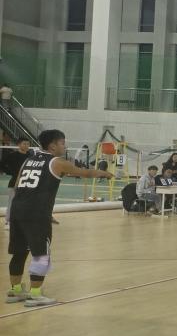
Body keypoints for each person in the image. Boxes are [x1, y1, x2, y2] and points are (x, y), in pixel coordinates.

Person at [5, 129, 113, 306]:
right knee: (41, 254)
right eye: (62, 142)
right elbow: (84, 173)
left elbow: (17, 186)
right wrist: (104, 173)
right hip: (36, 214)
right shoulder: (57, 162)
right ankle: (35, 294)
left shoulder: (28, 160)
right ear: (52, 145)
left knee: (19, 252)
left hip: (18, 210)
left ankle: (15, 291)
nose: (65, 146)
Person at [3, 137, 31, 225]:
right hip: (15, 182)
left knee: (25, 202)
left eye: (28, 144)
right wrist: (11, 172)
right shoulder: (12, 155)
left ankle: (23, 219)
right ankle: (8, 220)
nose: (26, 146)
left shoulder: (30, 156)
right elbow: (2, 164)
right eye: (24, 144)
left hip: (27, 182)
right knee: (12, 202)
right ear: (19, 144)